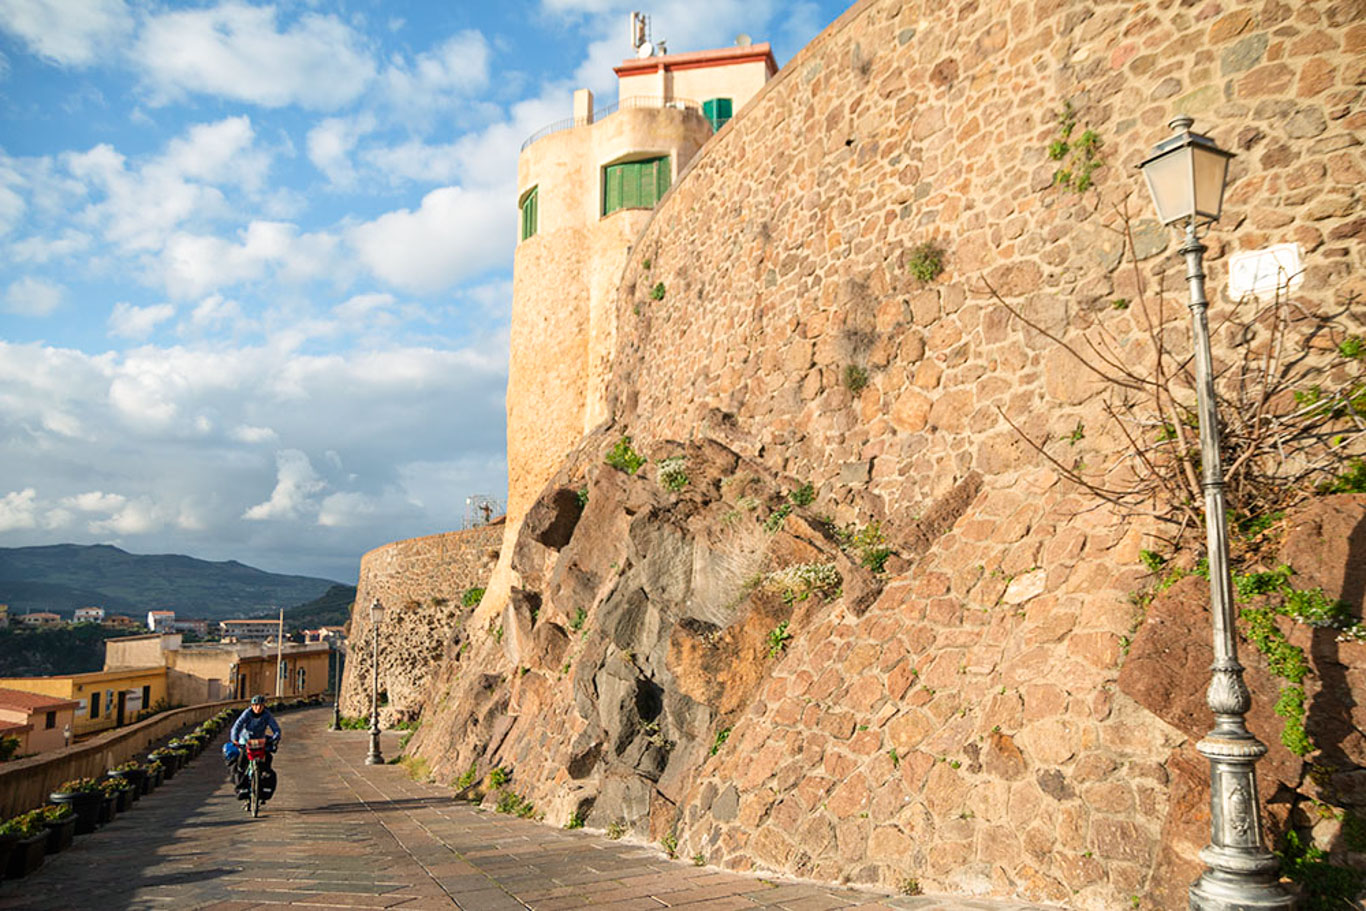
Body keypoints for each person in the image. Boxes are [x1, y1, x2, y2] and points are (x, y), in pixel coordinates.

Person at [227, 695, 281, 806]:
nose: (258, 708)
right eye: (255, 705)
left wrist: (276, 737)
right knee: (242, 760)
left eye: (260, 706)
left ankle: (261, 785)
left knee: (267, 759)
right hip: (246, 740)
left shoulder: (267, 715)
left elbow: (275, 728)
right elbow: (237, 726)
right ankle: (242, 785)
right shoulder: (247, 713)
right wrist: (235, 739)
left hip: (259, 740)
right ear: (252, 706)